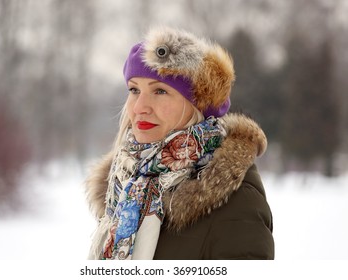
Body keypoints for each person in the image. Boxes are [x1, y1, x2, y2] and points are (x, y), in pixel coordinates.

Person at [85, 27, 274, 260]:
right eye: (134, 90)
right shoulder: (124, 187)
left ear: (197, 105)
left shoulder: (237, 203)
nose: (139, 107)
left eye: (160, 91)